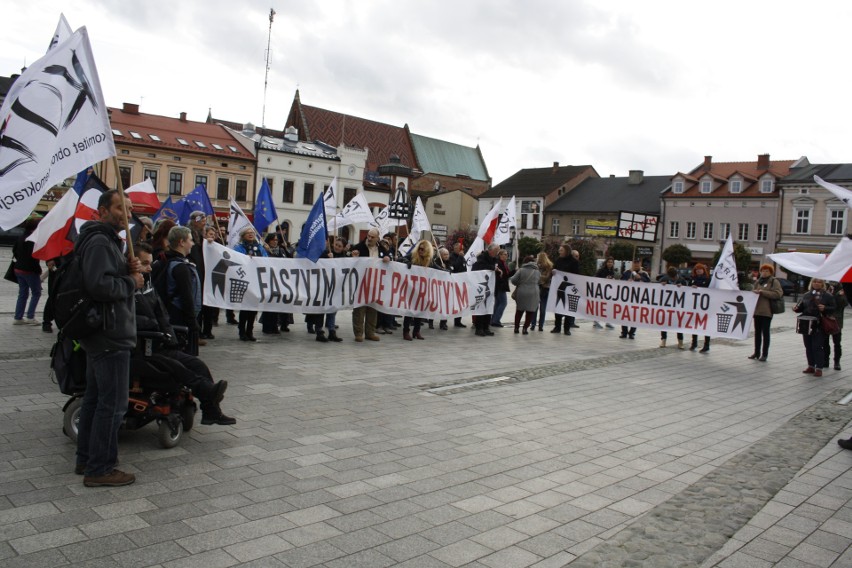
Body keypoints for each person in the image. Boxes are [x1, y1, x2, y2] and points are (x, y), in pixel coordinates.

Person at [75, 189, 144, 487]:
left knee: (94, 399)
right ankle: (101, 468)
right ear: (102, 211)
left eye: (129, 208)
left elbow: (107, 279)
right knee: (113, 405)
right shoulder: (101, 241)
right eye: (120, 207)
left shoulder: (104, 240)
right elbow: (99, 286)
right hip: (110, 334)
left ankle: (87, 459)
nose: (126, 213)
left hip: (103, 332)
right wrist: (132, 281)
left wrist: (128, 272)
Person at [134, 242, 235, 425]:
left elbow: (161, 313)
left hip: (159, 342)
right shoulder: (126, 288)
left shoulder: (147, 285)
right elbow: (131, 320)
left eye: (150, 263)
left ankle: (211, 411)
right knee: (177, 368)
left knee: (197, 364)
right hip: (141, 348)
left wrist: (168, 333)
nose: (150, 267)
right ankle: (206, 390)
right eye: (144, 263)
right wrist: (155, 327)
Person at [160, 226, 203, 349]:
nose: (192, 243)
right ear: (181, 242)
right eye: (190, 240)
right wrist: (193, 322)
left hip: (172, 312)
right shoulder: (180, 267)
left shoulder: (168, 260)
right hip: (179, 315)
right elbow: (186, 296)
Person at [351, 229, 390, 342]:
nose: (370, 238)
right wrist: (353, 256)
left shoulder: (382, 249)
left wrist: (388, 258)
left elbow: (389, 257)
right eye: (368, 236)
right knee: (359, 309)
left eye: (373, 237)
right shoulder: (359, 247)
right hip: (361, 282)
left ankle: (370, 332)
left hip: (376, 283)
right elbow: (348, 257)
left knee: (373, 308)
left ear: (378, 238)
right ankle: (358, 333)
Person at [793, 278, 835, 377]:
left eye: (819, 282)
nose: (816, 283)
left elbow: (833, 308)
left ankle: (819, 368)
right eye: (815, 282)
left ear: (823, 284)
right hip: (806, 323)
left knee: (817, 346)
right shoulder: (807, 294)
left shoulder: (827, 295)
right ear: (812, 283)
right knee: (808, 346)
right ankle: (811, 366)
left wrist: (825, 308)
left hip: (819, 323)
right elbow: (802, 307)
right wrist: (796, 309)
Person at [233, 226, 267, 341]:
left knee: (253, 307)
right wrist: (245, 258)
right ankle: (242, 331)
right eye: (248, 233)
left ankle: (250, 331)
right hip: (244, 279)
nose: (251, 234)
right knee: (245, 307)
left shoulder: (260, 248)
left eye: (252, 232)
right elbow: (236, 259)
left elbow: (266, 260)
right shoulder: (239, 247)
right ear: (243, 236)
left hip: (256, 280)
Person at [748, 264, 783, 362]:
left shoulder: (773, 281)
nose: (764, 272)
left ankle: (764, 354)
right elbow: (753, 292)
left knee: (765, 333)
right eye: (763, 271)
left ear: (771, 272)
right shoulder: (758, 281)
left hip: (767, 311)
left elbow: (778, 294)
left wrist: (763, 292)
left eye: (767, 271)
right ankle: (756, 352)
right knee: (757, 333)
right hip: (757, 311)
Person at [12, 219, 42, 326]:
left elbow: (14, 251)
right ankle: (30, 316)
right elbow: (33, 257)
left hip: (18, 269)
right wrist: (38, 270)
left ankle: (18, 317)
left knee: (23, 293)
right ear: (35, 228)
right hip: (29, 270)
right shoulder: (32, 239)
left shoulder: (21, 237)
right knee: (36, 292)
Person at [402, 240, 434, 340]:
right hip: (410, 288)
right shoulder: (412, 256)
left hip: (422, 289)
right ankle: (406, 331)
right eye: (419, 248)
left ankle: (417, 331)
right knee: (409, 311)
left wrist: (445, 271)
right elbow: (400, 259)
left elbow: (436, 268)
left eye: (423, 249)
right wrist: (407, 262)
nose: (420, 251)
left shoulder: (429, 260)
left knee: (419, 310)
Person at [471, 243, 500, 336]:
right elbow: (481, 267)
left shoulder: (494, 259)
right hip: (481, 287)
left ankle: (486, 327)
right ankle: (479, 328)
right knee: (481, 307)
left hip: (490, 287)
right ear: (490, 251)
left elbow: (495, 267)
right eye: (496, 251)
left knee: (489, 307)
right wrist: (493, 268)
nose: (497, 253)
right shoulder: (482, 258)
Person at [552, 245, 579, 335]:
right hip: (559, 288)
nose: (559, 252)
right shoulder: (558, 260)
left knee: (567, 309)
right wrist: (554, 272)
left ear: (566, 251)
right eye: (559, 250)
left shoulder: (574, 262)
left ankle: (567, 328)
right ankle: (557, 327)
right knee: (558, 307)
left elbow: (576, 275)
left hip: (569, 289)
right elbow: (554, 269)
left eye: (561, 250)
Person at [511, 255, 541, 335]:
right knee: (530, 312)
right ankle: (525, 329)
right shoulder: (537, 271)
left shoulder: (521, 270)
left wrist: (520, 283)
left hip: (522, 292)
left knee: (519, 311)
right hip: (533, 293)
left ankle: (516, 328)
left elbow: (513, 280)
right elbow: (540, 281)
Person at [619, 260, 650, 339]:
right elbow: (620, 282)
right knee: (625, 315)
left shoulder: (644, 273)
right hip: (627, 298)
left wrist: (640, 279)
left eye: (638, 263)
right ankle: (624, 332)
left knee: (635, 316)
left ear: (640, 264)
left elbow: (649, 284)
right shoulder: (627, 272)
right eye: (635, 263)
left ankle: (632, 332)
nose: (636, 264)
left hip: (637, 298)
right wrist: (626, 282)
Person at [658, 266, 686, 349]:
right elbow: (657, 288)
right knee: (664, 323)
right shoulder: (665, 278)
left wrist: (682, 287)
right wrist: (661, 284)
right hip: (667, 305)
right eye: (671, 277)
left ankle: (680, 342)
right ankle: (663, 340)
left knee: (678, 324)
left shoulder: (682, 280)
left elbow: (688, 290)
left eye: (674, 277)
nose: (673, 279)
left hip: (678, 306)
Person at [689, 264, 711, 353]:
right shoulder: (692, 279)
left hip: (705, 306)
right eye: (696, 269)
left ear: (703, 270)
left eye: (700, 269)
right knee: (694, 325)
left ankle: (707, 345)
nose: (698, 271)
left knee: (706, 326)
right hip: (695, 306)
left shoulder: (707, 279)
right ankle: (694, 343)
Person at [823, 282, 846, 371]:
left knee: (837, 343)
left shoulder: (842, 290)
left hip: (837, 321)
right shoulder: (826, 288)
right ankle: (825, 361)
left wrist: (837, 296)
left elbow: (843, 304)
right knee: (825, 342)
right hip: (826, 319)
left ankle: (837, 362)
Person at [592, 257, 616, 330]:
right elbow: (596, 279)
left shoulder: (612, 271)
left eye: (611, 262)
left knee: (608, 307)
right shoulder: (601, 271)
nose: (610, 263)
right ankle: (596, 321)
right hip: (600, 291)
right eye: (609, 262)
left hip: (608, 292)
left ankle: (608, 322)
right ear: (606, 263)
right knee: (599, 306)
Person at [448, 242, 467, 328]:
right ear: (455, 249)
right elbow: (455, 267)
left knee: (460, 302)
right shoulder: (451, 257)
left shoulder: (462, 257)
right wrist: (460, 257)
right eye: (460, 249)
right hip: (453, 282)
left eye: (462, 249)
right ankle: (443, 322)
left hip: (461, 282)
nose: (461, 250)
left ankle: (458, 321)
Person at [491, 249, 512, 328]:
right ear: (500, 255)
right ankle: (496, 320)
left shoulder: (503, 263)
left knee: (498, 303)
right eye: (505, 254)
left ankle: (493, 320)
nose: (506, 256)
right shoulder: (498, 263)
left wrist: (514, 271)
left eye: (507, 254)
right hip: (500, 286)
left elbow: (506, 275)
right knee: (503, 303)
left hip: (501, 286)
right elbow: (499, 275)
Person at [535, 252, 554, 332]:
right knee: (543, 309)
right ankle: (541, 325)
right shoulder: (550, 267)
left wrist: (540, 279)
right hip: (546, 288)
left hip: (538, 288)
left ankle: (533, 324)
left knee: (535, 308)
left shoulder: (537, 267)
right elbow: (548, 278)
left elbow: (537, 277)